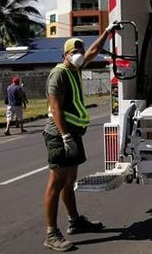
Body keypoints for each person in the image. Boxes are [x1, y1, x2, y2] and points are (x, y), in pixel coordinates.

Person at [42, 23, 117, 252]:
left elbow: (93, 51)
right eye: (73, 52)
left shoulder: (75, 69)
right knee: (56, 182)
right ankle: (51, 234)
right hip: (59, 134)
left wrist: (106, 33)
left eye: (79, 52)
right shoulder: (59, 74)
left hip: (73, 133)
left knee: (69, 181)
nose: (78, 55)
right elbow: (55, 109)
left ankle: (75, 221)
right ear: (65, 54)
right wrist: (65, 137)